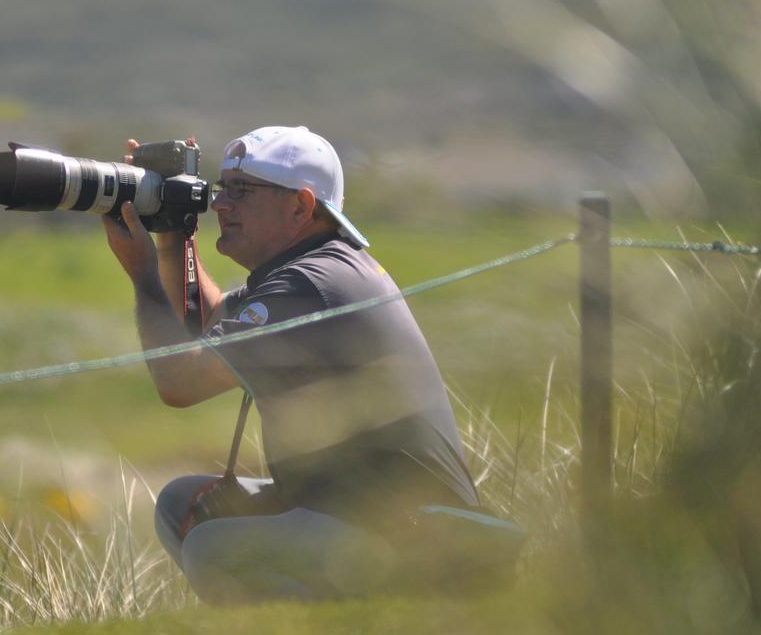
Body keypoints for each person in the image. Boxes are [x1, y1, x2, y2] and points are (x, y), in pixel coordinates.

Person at [102, 126, 509, 603]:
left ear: (300, 205)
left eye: (241, 191)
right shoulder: (312, 269)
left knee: (216, 545)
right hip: (359, 516)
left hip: (417, 536)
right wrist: (172, 234)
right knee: (182, 504)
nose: (220, 204)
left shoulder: (312, 283)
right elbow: (208, 321)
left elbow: (180, 382)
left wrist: (144, 272)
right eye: (222, 187)